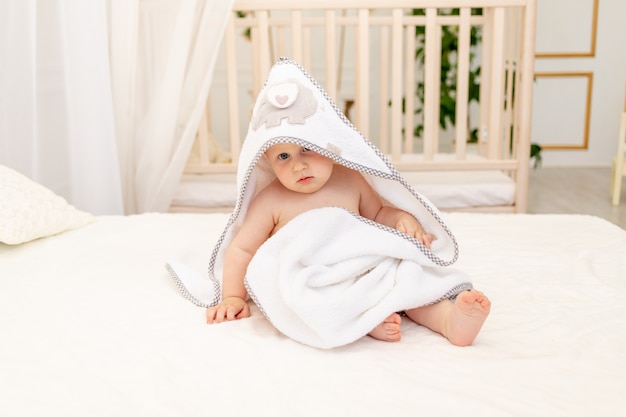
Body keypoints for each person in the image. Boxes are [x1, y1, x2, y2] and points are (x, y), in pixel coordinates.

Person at [206, 143, 491, 346]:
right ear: (268, 161)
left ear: (330, 144)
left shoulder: (350, 179)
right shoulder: (270, 200)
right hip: (317, 277)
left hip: (364, 264)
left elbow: (377, 215)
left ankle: (446, 319)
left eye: (307, 148)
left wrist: (403, 219)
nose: (299, 164)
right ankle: (366, 322)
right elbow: (244, 249)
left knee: (404, 277)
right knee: (312, 301)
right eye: (283, 156)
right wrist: (232, 296)